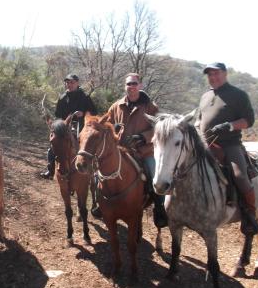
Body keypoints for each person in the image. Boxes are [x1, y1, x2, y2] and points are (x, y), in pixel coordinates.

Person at [197, 62, 258, 235]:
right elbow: (199, 119)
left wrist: (229, 125)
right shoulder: (205, 96)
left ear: (225, 74)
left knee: (240, 176)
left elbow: (249, 120)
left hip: (229, 145)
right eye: (210, 74)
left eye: (216, 73)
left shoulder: (238, 95)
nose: (213, 77)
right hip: (206, 144)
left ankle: (249, 215)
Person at [106, 73, 168, 228]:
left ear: (140, 85)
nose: (131, 87)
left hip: (144, 151)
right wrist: (114, 129)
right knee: (100, 172)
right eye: (129, 84)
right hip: (121, 151)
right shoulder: (116, 106)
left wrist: (143, 137)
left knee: (155, 176)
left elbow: (159, 128)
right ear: (125, 86)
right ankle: (99, 203)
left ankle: (160, 208)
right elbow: (106, 124)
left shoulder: (150, 107)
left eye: (134, 84)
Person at [40, 73, 97, 179]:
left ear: (77, 83)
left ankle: (93, 175)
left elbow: (94, 111)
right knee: (53, 148)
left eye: (72, 82)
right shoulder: (62, 98)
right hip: (66, 127)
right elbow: (58, 115)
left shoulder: (84, 97)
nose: (69, 84)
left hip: (82, 126)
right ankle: (50, 170)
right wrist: (62, 125)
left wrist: (83, 113)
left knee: (89, 148)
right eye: (67, 82)